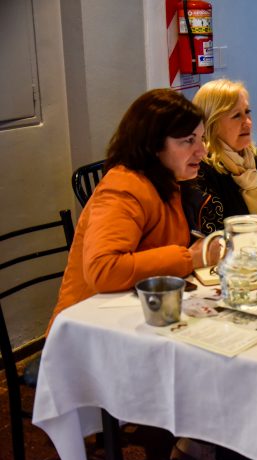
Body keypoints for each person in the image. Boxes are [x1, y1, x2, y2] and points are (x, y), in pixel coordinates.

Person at [48, 89, 212, 332]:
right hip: (87, 331)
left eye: (201, 138)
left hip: (139, 315)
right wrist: (190, 258)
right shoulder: (123, 187)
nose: (202, 151)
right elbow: (103, 269)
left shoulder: (167, 183)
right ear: (153, 145)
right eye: (189, 140)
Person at [183, 79, 257, 235]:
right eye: (237, 115)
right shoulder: (201, 170)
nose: (248, 122)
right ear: (212, 123)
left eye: (247, 112)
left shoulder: (250, 159)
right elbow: (213, 239)